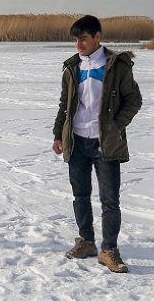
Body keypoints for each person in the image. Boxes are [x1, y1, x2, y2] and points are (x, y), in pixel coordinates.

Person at [53, 15, 142, 273]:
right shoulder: (72, 67)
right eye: (75, 40)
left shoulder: (117, 65)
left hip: (106, 145)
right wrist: (59, 135)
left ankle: (109, 250)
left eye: (83, 39)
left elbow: (133, 100)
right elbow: (64, 105)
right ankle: (87, 242)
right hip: (77, 142)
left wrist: (115, 126)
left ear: (97, 37)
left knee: (110, 200)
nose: (78, 45)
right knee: (80, 196)